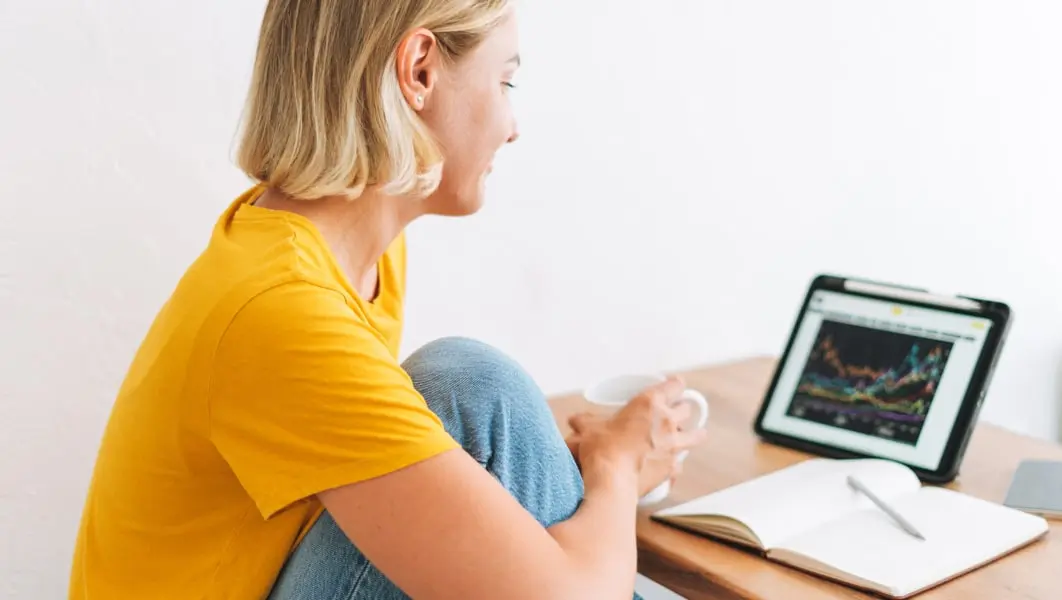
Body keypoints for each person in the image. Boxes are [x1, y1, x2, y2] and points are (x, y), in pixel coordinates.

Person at [68, 1, 707, 599]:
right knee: (475, 385)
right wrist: (616, 468)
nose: (513, 128)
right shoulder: (283, 308)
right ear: (419, 71)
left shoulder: (348, 255)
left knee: (474, 405)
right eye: (505, 82)